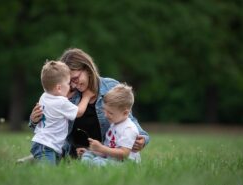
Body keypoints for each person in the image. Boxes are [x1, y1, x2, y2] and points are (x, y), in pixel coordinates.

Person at [19, 48, 150, 163]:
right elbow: (48, 126)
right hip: (74, 153)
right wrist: (34, 120)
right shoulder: (65, 95)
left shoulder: (111, 87)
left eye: (75, 79)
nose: (74, 85)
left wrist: (142, 139)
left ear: (87, 69)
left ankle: (39, 159)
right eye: (69, 82)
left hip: (106, 152)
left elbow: (129, 120)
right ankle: (42, 158)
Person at [28, 60, 94, 165]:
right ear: (59, 88)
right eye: (68, 83)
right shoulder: (61, 102)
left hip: (42, 142)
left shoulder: (44, 96)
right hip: (48, 145)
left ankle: (28, 163)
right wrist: (86, 96)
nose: (71, 86)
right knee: (47, 173)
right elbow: (79, 112)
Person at [80, 83, 141, 166]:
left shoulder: (128, 129)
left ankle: (93, 167)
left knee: (98, 162)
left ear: (125, 113)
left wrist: (101, 148)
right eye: (105, 110)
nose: (105, 115)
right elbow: (110, 148)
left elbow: (124, 154)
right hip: (111, 158)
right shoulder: (114, 124)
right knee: (88, 155)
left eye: (110, 113)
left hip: (126, 162)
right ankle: (88, 166)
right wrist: (94, 150)